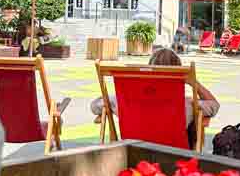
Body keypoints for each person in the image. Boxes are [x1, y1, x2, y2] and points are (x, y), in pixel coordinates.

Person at [90, 47, 219, 148]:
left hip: (135, 156)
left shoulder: (123, 101)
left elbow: (95, 106)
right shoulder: (187, 105)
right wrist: (193, 83)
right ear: (179, 74)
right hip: (174, 157)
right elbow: (214, 105)